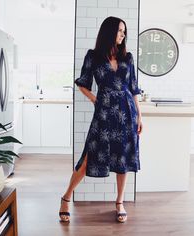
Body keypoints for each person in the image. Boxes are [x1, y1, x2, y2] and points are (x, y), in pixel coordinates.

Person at [59, 16, 143, 223]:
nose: (123, 35)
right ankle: (65, 198)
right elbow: (83, 83)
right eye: (119, 30)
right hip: (104, 115)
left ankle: (119, 202)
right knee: (89, 158)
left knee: (122, 159)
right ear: (109, 31)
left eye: (125, 31)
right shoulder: (93, 56)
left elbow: (133, 89)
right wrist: (96, 100)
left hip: (126, 114)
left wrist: (140, 116)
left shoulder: (128, 58)